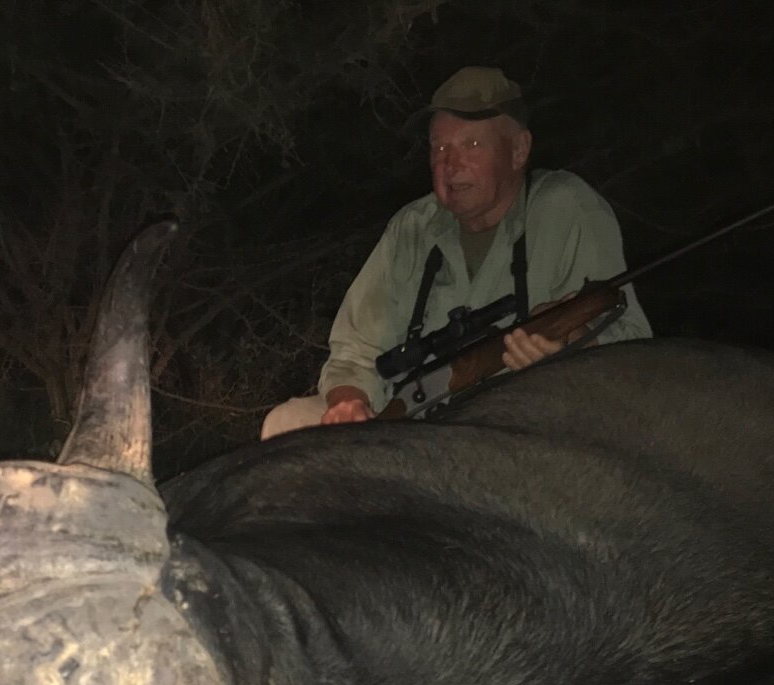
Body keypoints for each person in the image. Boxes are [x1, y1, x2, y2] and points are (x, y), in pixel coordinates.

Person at [262, 66, 652, 439]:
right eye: (439, 147)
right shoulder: (413, 226)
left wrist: (570, 344)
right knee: (289, 423)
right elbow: (355, 351)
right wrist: (350, 404)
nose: (450, 164)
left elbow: (632, 345)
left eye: (473, 144)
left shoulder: (565, 206)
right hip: (414, 427)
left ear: (519, 150)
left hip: (523, 427)